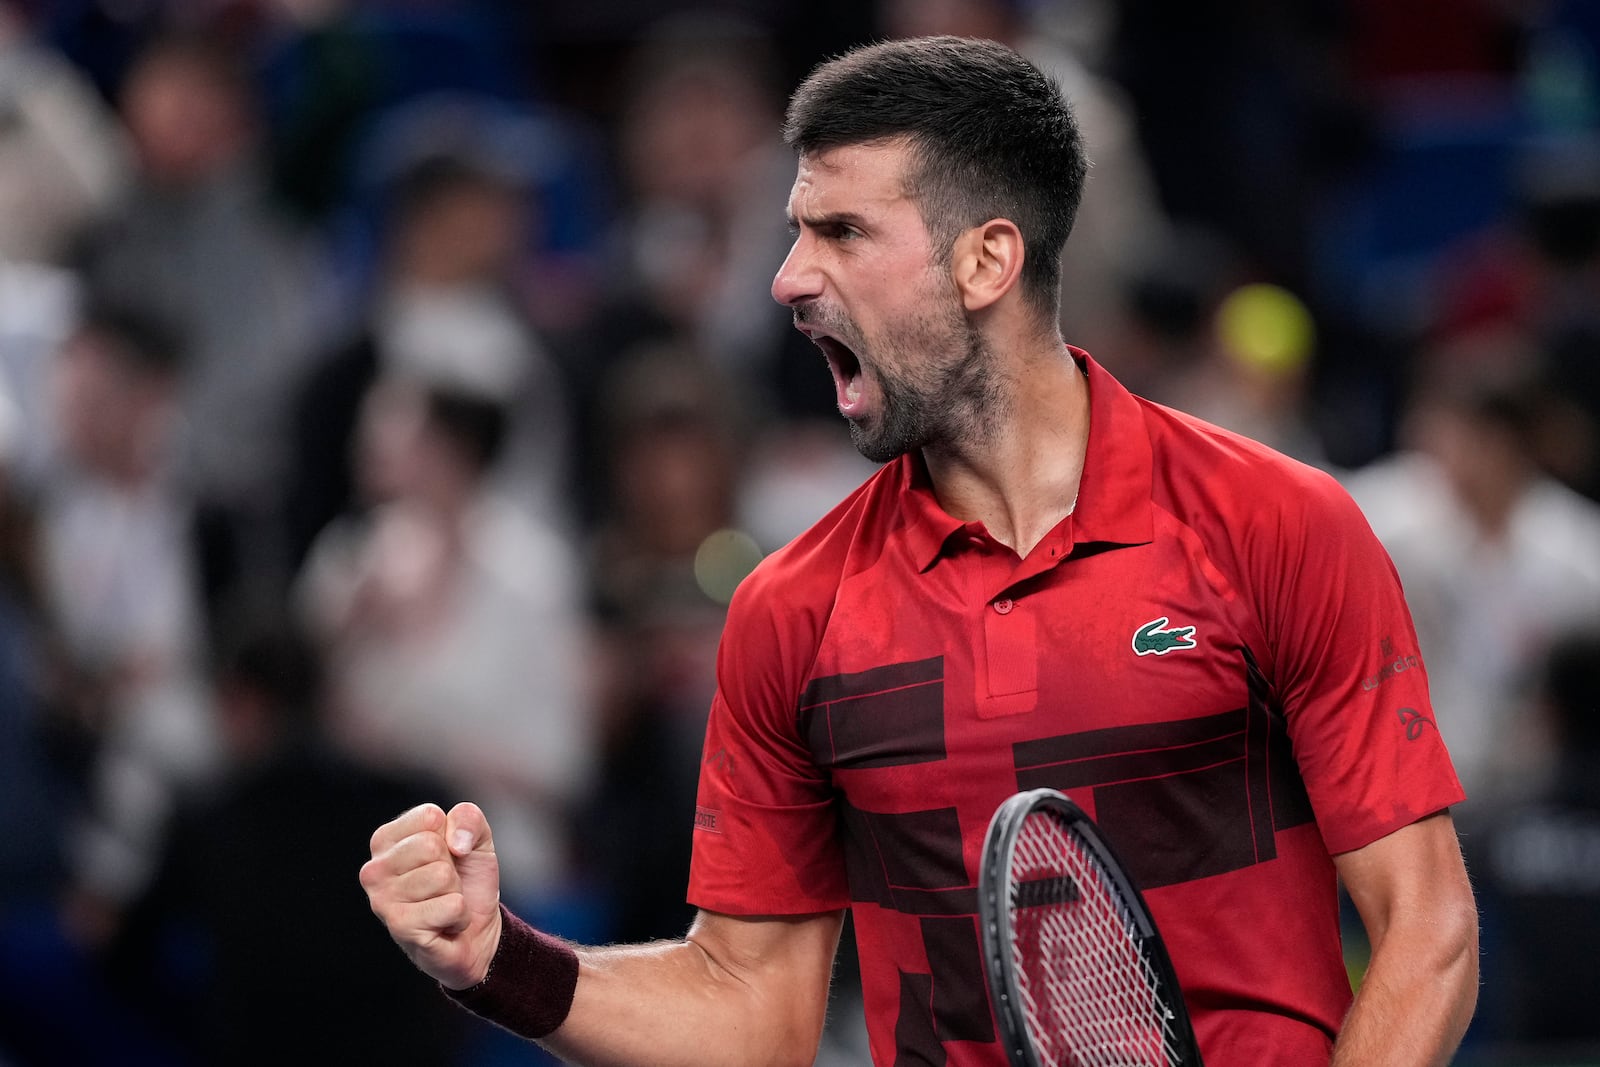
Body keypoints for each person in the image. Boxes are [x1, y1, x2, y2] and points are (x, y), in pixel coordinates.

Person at [361, 36, 1478, 1066]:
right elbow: (751, 1004)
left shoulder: (1275, 524)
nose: (788, 280)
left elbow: (1424, 927)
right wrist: (496, 957)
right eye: (797, 231)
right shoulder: (790, 612)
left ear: (986, 260)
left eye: (841, 232)